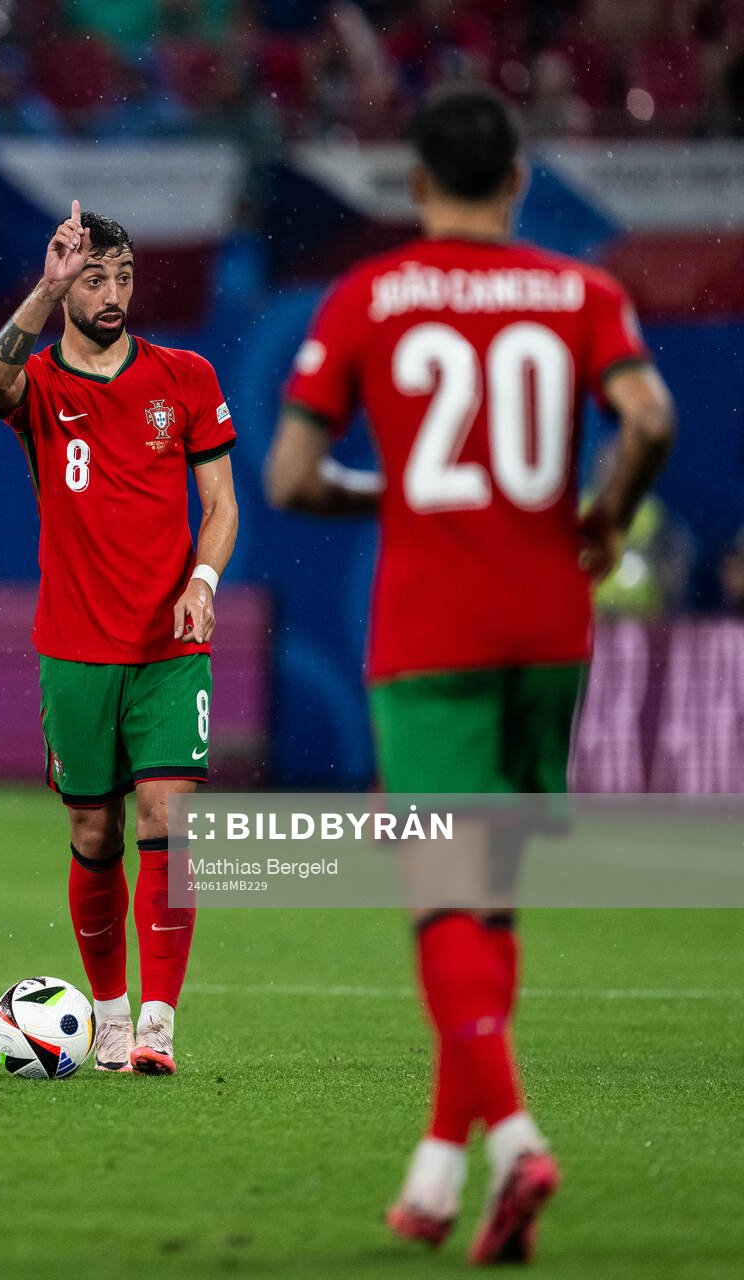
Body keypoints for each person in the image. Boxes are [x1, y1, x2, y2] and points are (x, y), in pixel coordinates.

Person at [267, 86, 675, 1262]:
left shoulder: (370, 299)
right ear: (518, 179)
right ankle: (439, 1177)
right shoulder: (584, 294)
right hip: (550, 626)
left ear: (414, 185)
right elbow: (649, 420)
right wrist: (603, 515)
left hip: (434, 629)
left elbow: (294, 476)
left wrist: (379, 490)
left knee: (442, 899)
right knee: (487, 899)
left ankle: (518, 1144)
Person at [0, 202, 238, 1076]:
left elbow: (223, 508)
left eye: (123, 276)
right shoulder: (43, 386)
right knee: (95, 832)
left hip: (170, 645)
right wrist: (41, 289)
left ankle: (158, 1027)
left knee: (170, 819)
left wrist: (202, 584)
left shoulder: (187, 377)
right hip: (76, 647)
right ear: (65, 289)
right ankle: (109, 1016)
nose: (113, 293)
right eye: (94, 278)